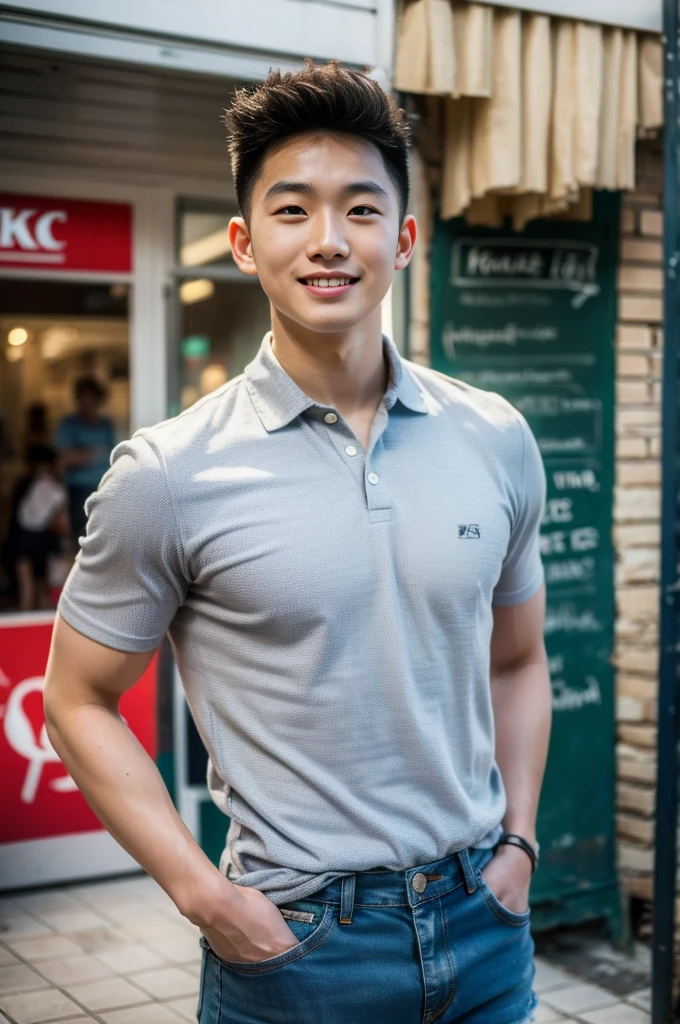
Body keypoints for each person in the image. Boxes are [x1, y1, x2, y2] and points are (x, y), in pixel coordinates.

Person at [44, 62, 551, 1024]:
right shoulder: (168, 473)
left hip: (488, 930)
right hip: (300, 948)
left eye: (362, 210)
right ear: (243, 241)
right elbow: (78, 700)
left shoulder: (495, 436)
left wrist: (517, 848)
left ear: (403, 239)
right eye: (292, 211)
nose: (328, 241)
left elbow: (519, 661)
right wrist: (206, 897)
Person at [5, 444, 68, 611]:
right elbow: (61, 524)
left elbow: (13, 511)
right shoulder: (57, 489)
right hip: (43, 541)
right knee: (43, 589)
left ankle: (23, 622)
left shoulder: (24, 483)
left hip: (21, 539)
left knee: (26, 587)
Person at [55, 375, 115, 540]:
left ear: (99, 400)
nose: (88, 402)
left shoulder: (106, 425)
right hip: (77, 491)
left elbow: (113, 457)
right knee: (78, 539)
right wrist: (95, 453)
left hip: (104, 489)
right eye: (84, 398)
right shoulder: (68, 424)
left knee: (103, 539)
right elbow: (64, 459)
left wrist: (83, 453)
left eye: (92, 398)